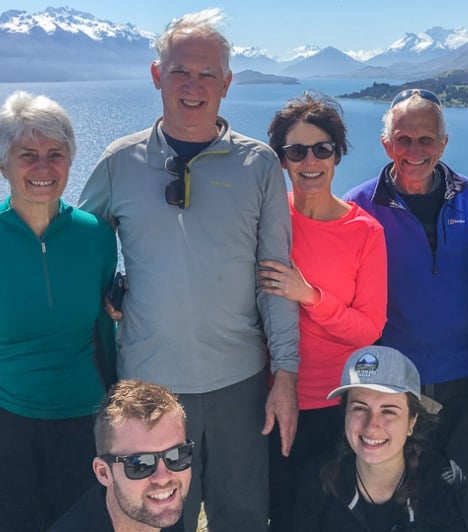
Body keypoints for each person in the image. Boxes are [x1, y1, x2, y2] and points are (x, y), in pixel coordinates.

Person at [78, 9, 299, 532]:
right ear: (158, 76)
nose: (193, 86)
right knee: (158, 521)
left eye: (206, 74)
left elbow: (275, 275)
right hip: (147, 388)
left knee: (242, 517)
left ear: (226, 82)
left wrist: (285, 375)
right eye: (180, 71)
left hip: (239, 385)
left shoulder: (259, 164)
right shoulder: (119, 161)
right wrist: (107, 285)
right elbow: (81, 242)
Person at [343, 88, 468, 531]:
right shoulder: (358, 207)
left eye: (426, 139)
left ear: (444, 144)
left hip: (464, 376)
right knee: (404, 488)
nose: (415, 150)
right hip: (394, 381)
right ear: (386, 144)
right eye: (403, 138)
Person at [260, 91, 387, 532]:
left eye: (322, 149)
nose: (310, 160)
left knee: (335, 518)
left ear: (337, 154)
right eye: (296, 151)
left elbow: (368, 330)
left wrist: (310, 295)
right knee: (284, 513)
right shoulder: (266, 219)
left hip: (337, 403)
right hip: (271, 398)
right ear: (281, 160)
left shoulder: (364, 233)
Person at [0, 91, 117, 531]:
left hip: (84, 423)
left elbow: (106, 333)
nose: (44, 168)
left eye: (56, 154)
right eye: (27, 155)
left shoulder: (96, 236)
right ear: (3, 164)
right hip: (9, 423)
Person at [294, 345, 468, 531]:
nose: (372, 425)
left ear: (411, 422)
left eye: (388, 411)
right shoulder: (319, 480)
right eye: (360, 408)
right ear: (345, 414)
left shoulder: (441, 480)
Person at [48, 379, 191, 532]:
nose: (163, 478)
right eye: (140, 464)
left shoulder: (161, 507)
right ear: (104, 473)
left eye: (176, 456)